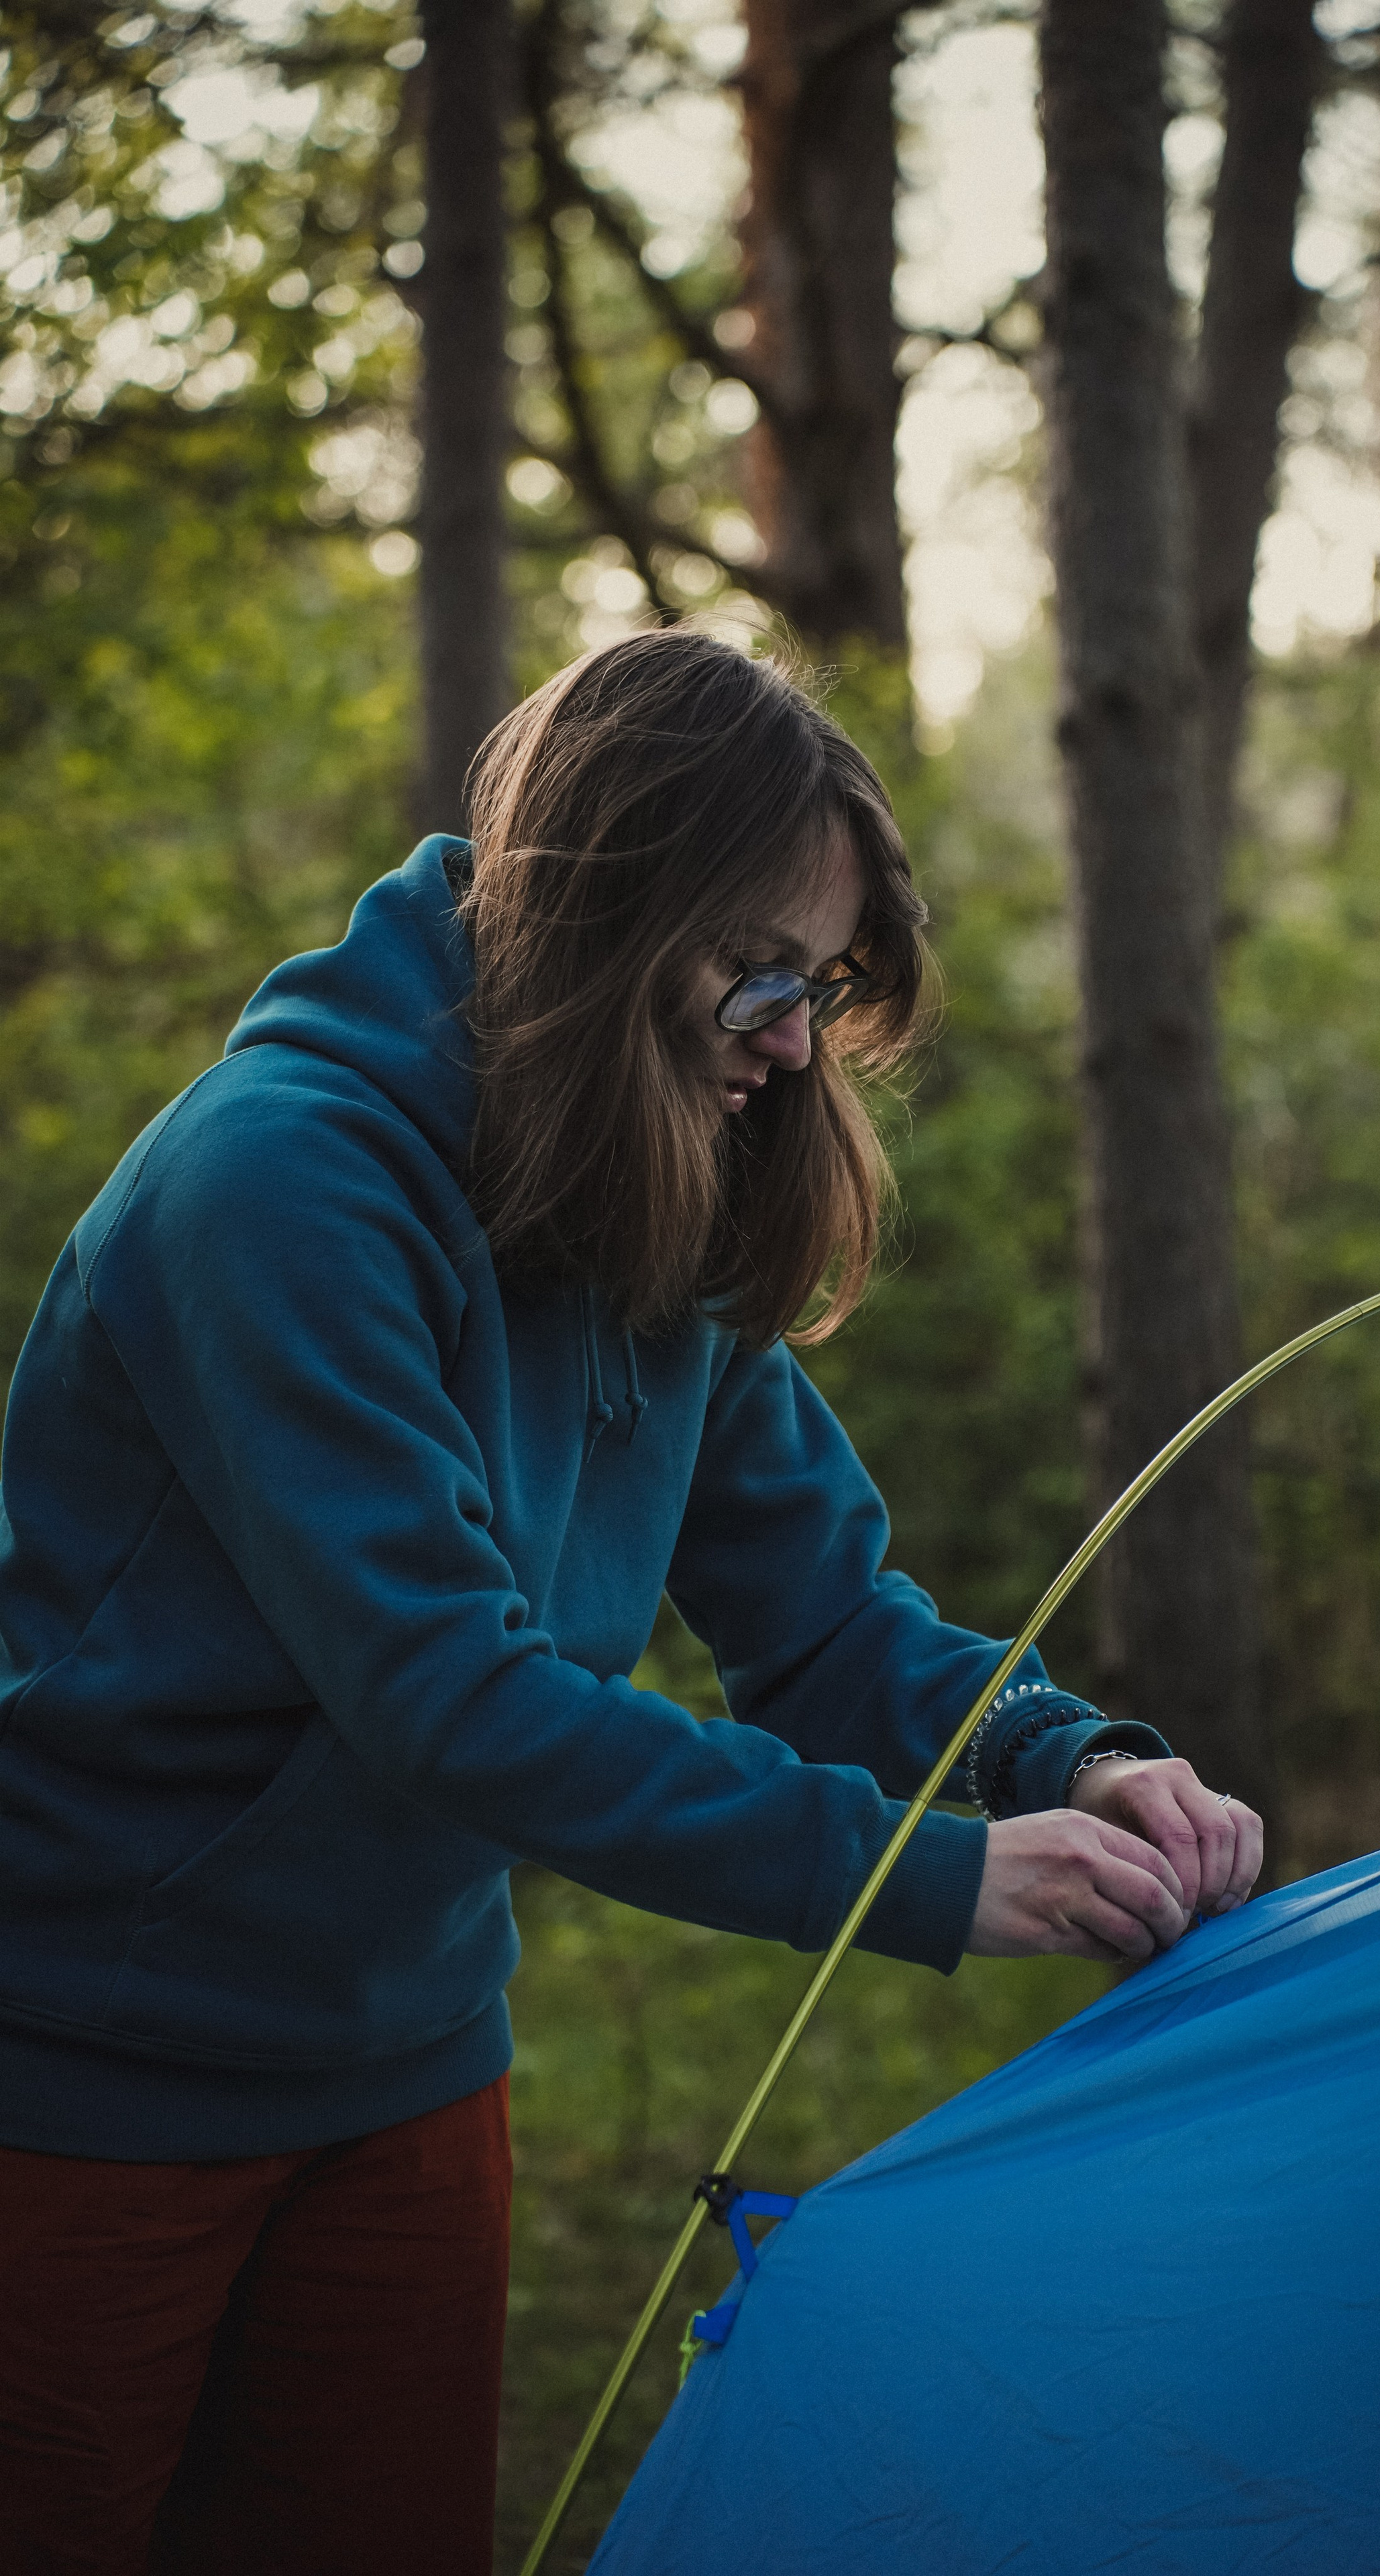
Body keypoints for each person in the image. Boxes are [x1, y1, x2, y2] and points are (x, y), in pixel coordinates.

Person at [0, 630, 1263, 2574]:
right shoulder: (280, 1185)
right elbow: (450, 1697)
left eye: (823, 987)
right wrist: (919, 1879)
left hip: (409, 2054)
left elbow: (825, 1619)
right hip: (87, 2067)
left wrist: (1050, 1759)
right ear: (603, 915)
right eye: (759, 969)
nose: (791, 1039)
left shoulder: (645, 1158)